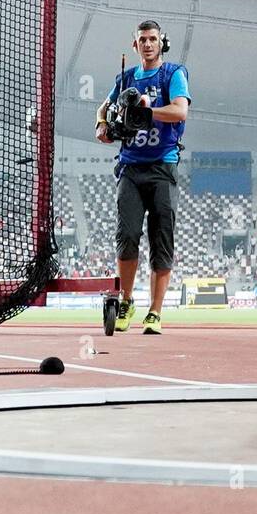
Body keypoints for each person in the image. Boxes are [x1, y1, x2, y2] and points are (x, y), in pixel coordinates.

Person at [95, 19, 191, 334]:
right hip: (131, 167)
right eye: (142, 40)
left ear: (161, 42)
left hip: (163, 165)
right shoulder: (124, 79)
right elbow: (103, 109)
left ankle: (155, 312)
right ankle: (125, 301)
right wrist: (103, 128)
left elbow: (179, 112)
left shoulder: (174, 73)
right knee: (126, 237)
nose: (148, 44)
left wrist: (147, 112)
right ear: (135, 45)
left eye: (153, 39)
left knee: (161, 239)